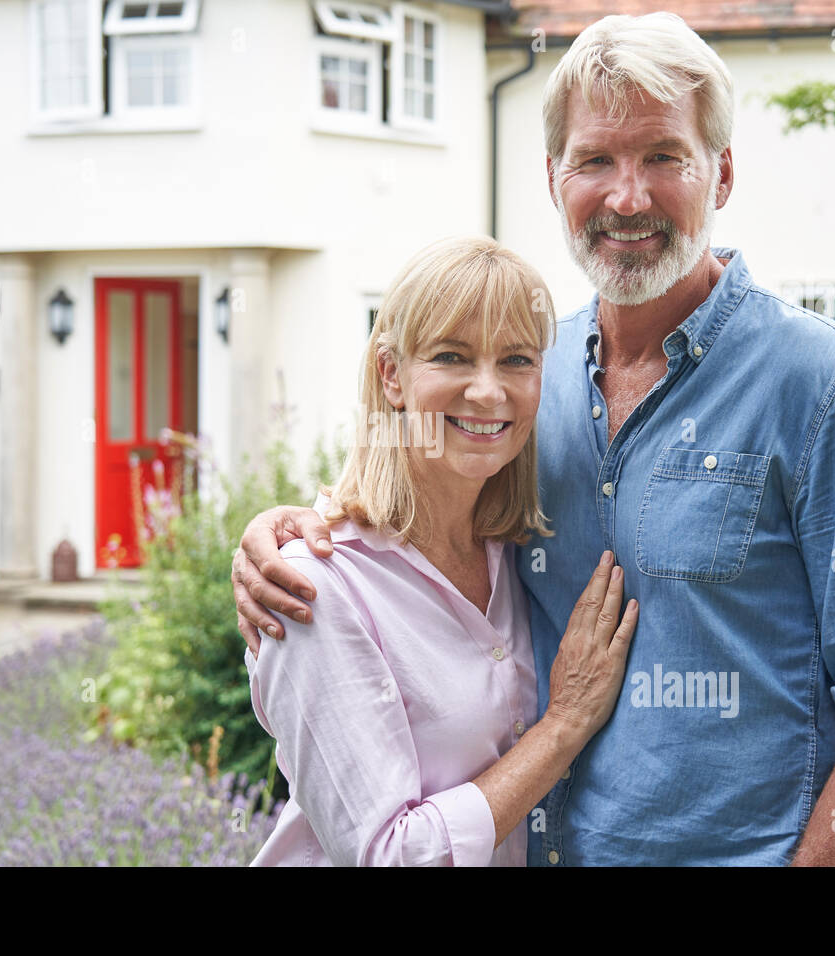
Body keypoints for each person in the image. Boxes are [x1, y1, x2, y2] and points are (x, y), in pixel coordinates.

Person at [234, 12, 835, 866]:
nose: (628, 196)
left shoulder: (817, 383)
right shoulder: (524, 382)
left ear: (720, 173)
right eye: (595, 161)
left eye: (664, 156)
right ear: (553, 177)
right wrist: (284, 532)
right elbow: (410, 527)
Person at [246, 236, 638, 866]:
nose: (488, 392)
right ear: (391, 375)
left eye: (516, 359)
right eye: (452, 356)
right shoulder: (315, 587)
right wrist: (563, 725)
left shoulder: (519, 554)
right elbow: (392, 856)